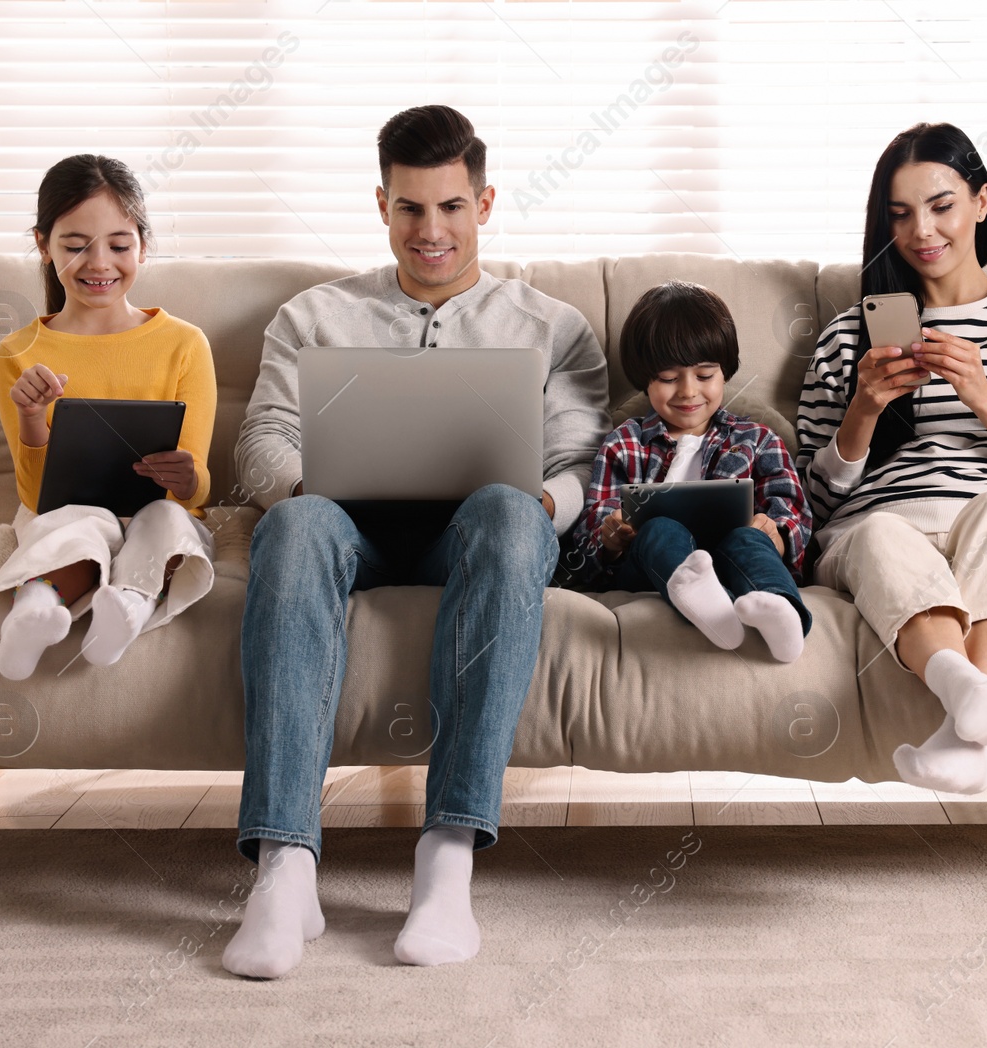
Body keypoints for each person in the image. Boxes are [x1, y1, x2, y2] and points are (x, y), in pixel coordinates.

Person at [224, 105, 610, 978]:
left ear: (485, 203)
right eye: (409, 209)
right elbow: (263, 441)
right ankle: (285, 867)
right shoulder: (313, 315)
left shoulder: (552, 326)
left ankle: (448, 858)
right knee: (292, 522)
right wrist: (308, 483)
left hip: (474, 535)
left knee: (515, 517)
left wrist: (539, 497)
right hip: (346, 527)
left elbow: (580, 458)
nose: (429, 231)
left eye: (450, 208)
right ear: (381, 204)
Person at [796, 122, 987, 794]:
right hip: (878, 522)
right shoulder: (851, 334)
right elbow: (810, 505)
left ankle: (967, 725)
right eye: (901, 215)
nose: (922, 232)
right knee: (878, 531)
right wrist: (864, 412)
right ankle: (970, 710)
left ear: (981, 202)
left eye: (941, 206)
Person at [0, 154, 217, 681]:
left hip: (157, 514)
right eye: (75, 246)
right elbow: (37, 498)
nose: (99, 263)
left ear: (143, 247)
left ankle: (127, 607)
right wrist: (33, 417)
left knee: (164, 519)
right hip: (64, 515)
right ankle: (35, 609)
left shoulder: (184, 345)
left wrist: (186, 476)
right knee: (81, 523)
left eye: (119, 245)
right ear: (42, 246)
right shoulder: (18, 353)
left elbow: (194, 493)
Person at [569, 281, 812, 663]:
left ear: (725, 372)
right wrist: (611, 536)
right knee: (661, 528)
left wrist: (777, 532)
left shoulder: (758, 439)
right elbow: (593, 525)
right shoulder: (624, 443)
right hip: (649, 569)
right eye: (668, 378)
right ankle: (711, 608)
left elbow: (792, 508)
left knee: (749, 539)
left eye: (704, 375)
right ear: (643, 377)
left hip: (734, 554)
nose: (687, 391)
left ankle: (782, 615)